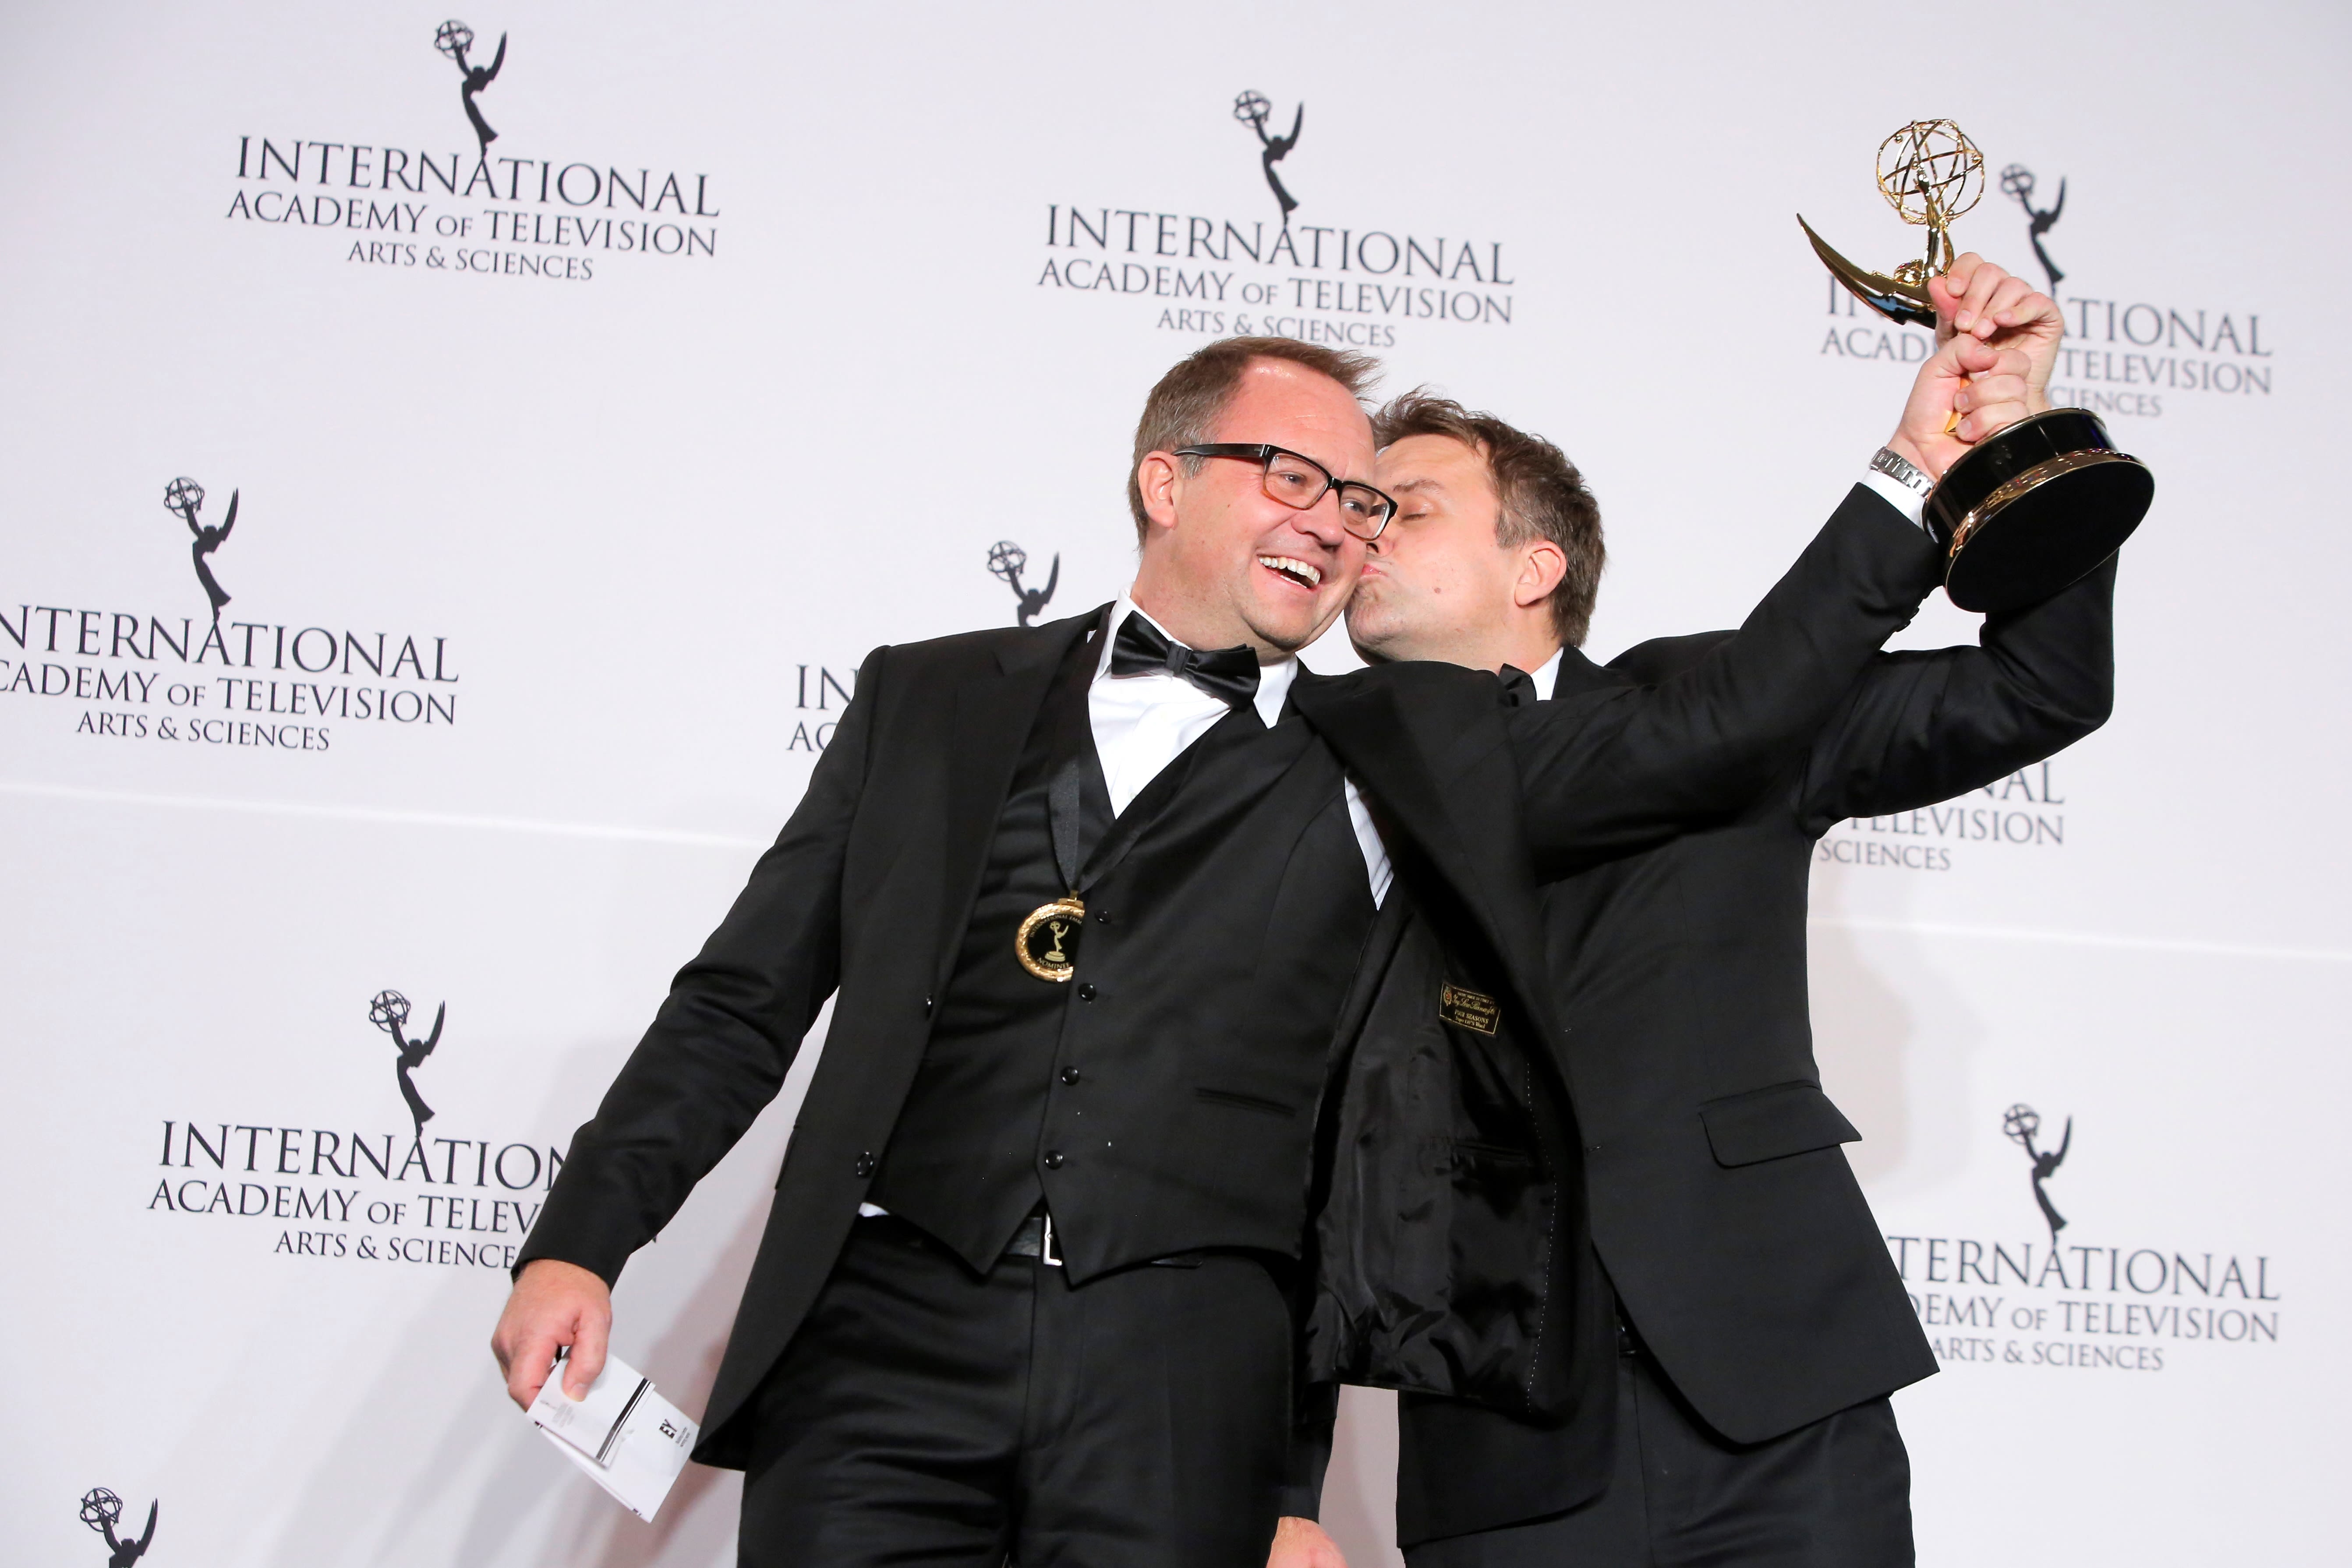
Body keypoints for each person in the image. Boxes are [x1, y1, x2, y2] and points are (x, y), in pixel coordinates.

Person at [490, 328, 1965, 1568]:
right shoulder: (925, 700)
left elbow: (1344, 1144)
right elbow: (741, 1000)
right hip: (878, 1349)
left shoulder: (1399, 750)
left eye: (1362, 501)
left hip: (1181, 1389)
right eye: (1293, 476)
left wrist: (1289, 1486)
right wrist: (580, 1237)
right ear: (1164, 479)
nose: (1334, 521)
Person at [1273, 257, 2111, 1568]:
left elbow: (2037, 688)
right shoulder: (1310, 773)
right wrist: (1287, 1487)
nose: (1361, 533)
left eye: (1407, 507)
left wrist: (2016, 444)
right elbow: (1286, 1153)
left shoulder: (1722, 700)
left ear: (1535, 563)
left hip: (1781, 1407)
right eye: (1356, 507)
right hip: (1505, 1462)